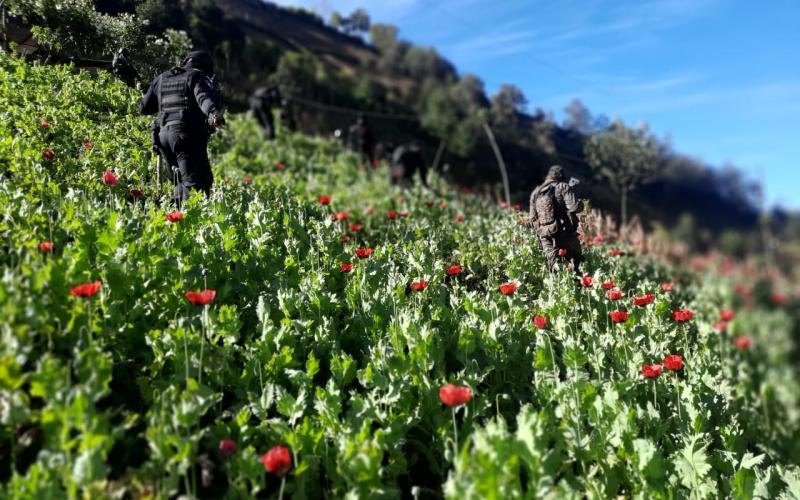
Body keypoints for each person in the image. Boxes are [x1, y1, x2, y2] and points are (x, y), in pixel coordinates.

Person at [139, 51, 224, 202]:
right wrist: (213, 114)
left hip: (163, 137)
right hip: (185, 138)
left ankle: (172, 212)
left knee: (180, 183)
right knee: (196, 185)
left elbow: (144, 108)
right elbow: (203, 98)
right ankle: (185, 213)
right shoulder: (196, 76)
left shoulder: (162, 77)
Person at [529, 165, 583, 272]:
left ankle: (554, 279)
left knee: (553, 265)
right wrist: (580, 203)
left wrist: (543, 231)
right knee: (576, 260)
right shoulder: (563, 187)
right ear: (560, 176)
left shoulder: (536, 192)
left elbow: (532, 219)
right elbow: (574, 207)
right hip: (564, 232)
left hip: (545, 235)